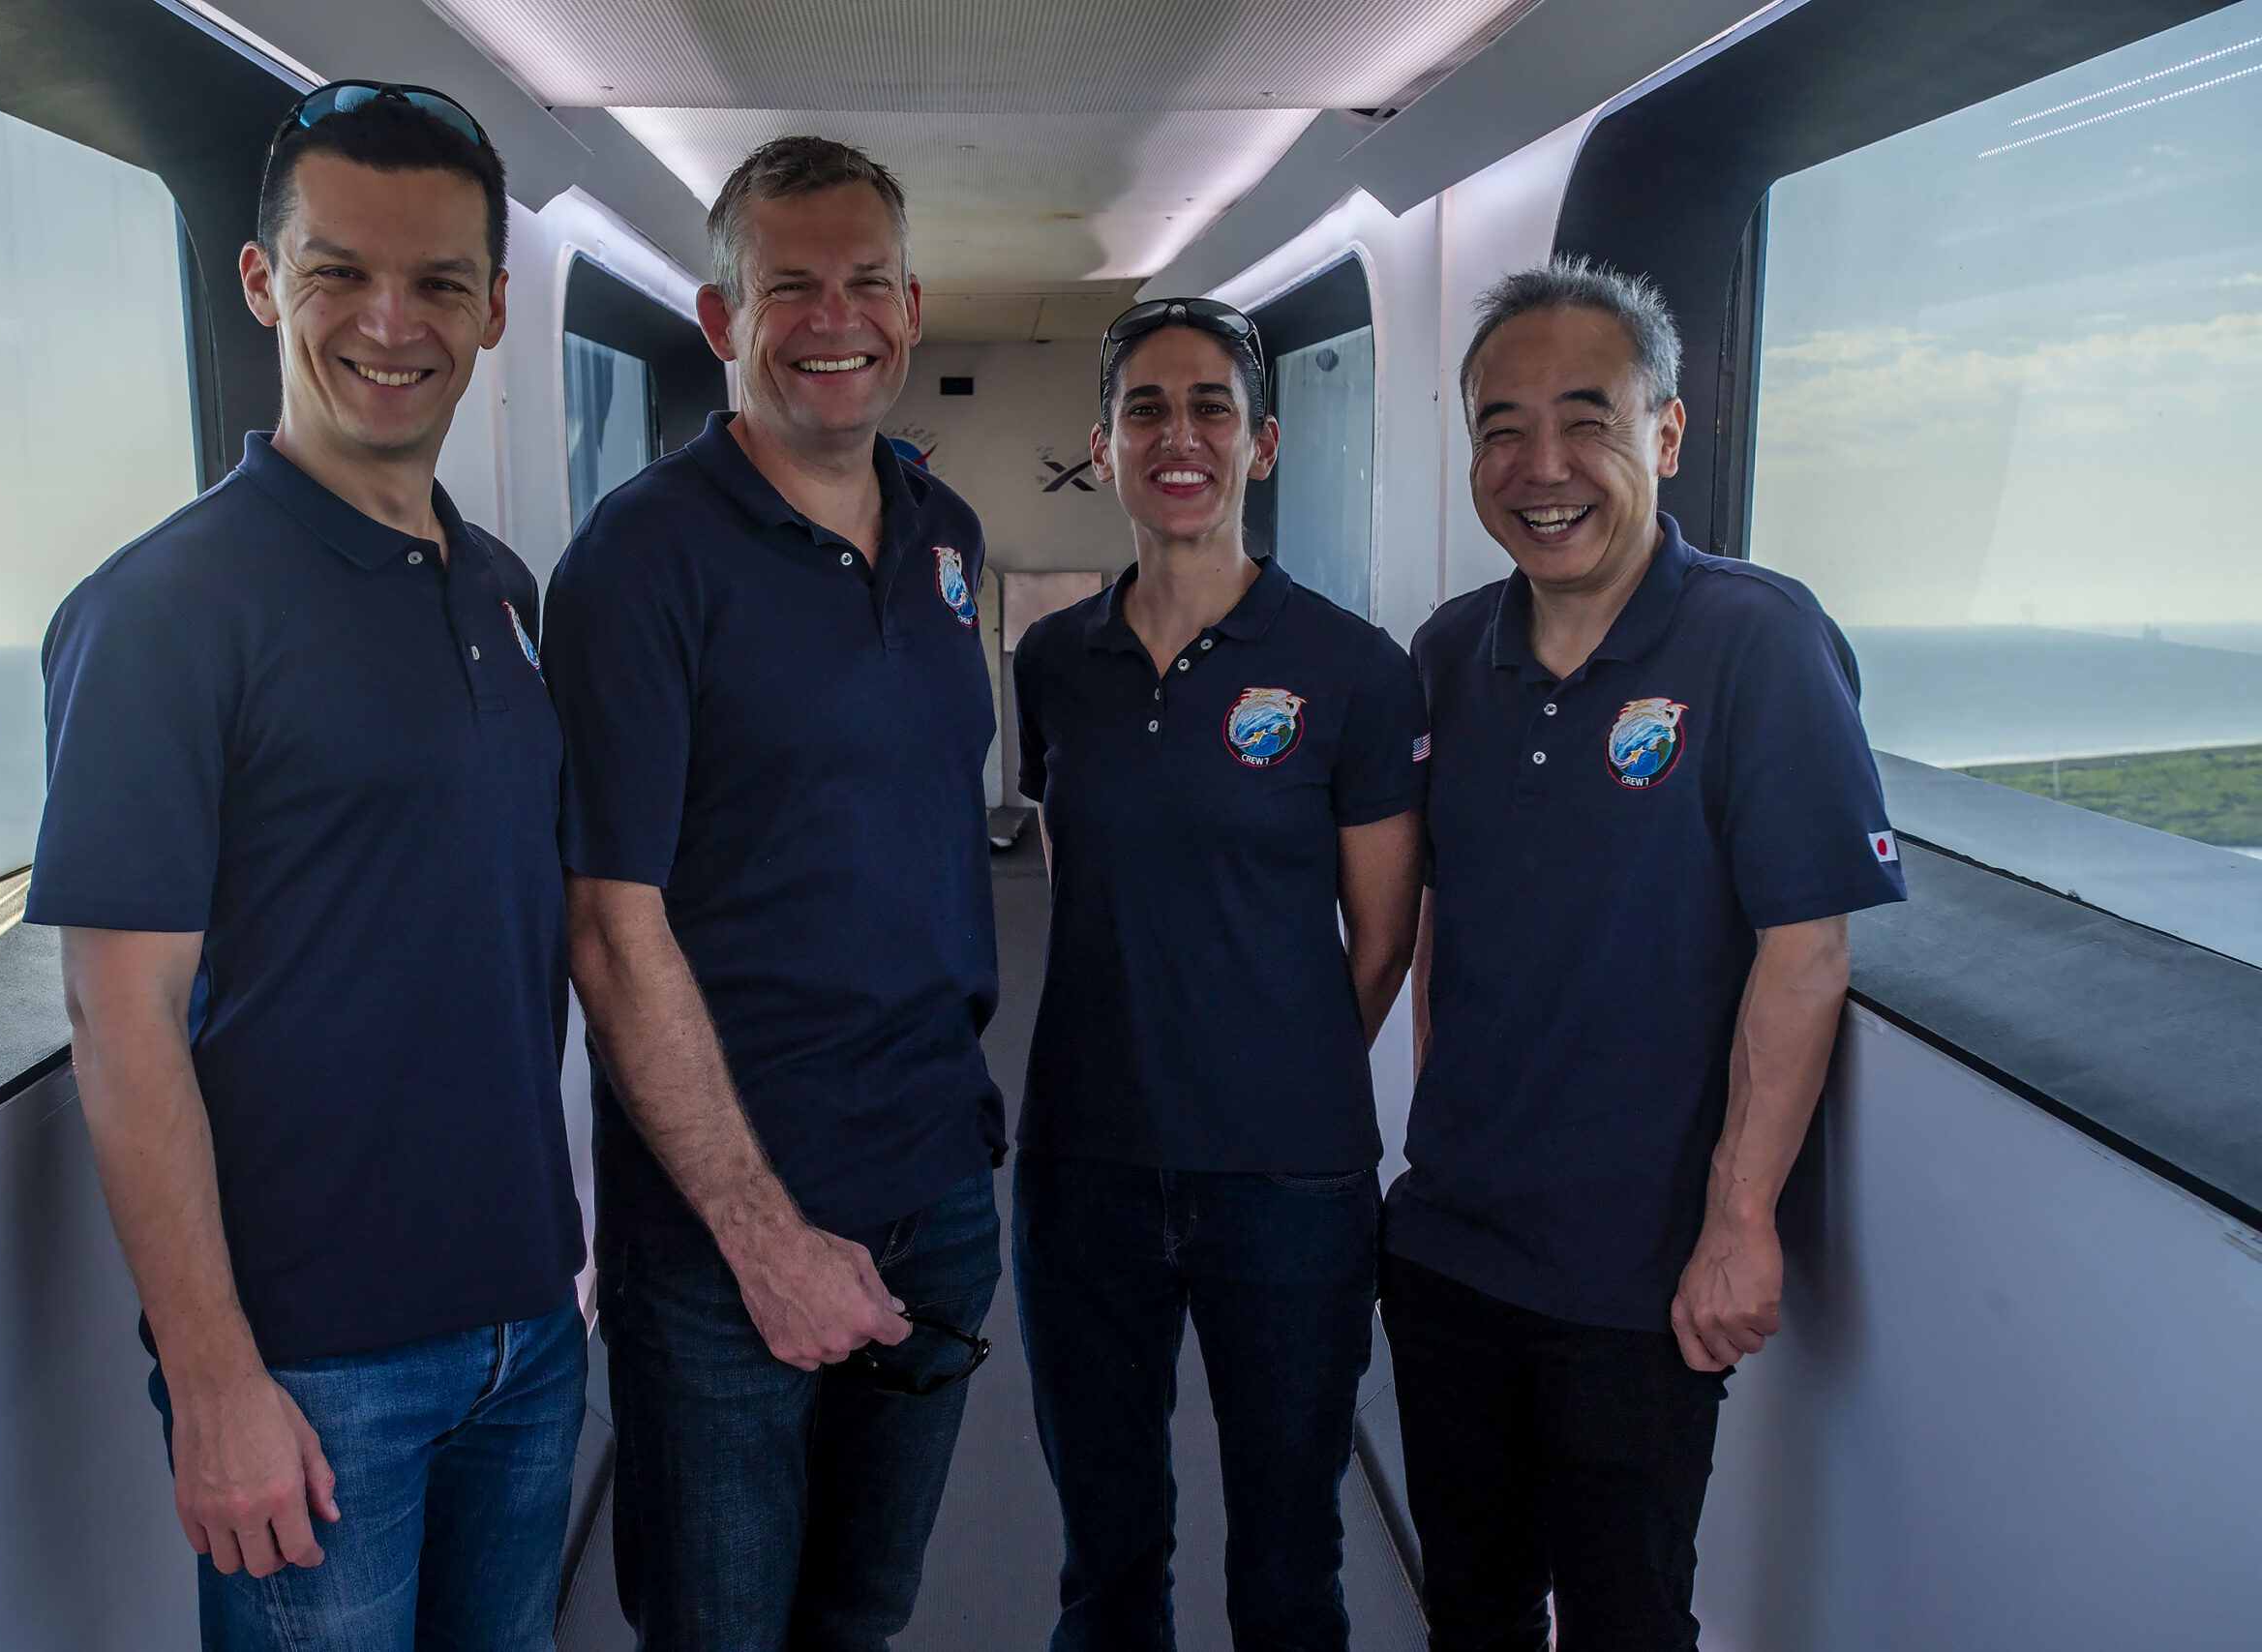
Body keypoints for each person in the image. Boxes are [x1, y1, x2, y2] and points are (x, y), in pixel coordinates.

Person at [26, 83, 585, 1650]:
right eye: (340, 272)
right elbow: (121, 1027)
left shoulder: (500, 585)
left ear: (487, 311)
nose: (389, 322)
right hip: (312, 1366)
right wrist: (212, 1385)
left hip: (528, 1324)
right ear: (265, 284)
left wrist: (561, 1274)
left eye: (438, 283)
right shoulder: (163, 613)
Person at [1383, 256, 1909, 1650]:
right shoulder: (1447, 655)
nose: (1540, 466)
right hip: (1448, 1252)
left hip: (1639, 1276)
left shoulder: (1758, 643)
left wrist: (1737, 1229)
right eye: (1501, 426)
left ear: (1665, 435)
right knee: (1474, 1612)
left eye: (1587, 420)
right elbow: (1449, 920)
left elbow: (1805, 951)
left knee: (1627, 1621)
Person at [543, 136, 1002, 1651]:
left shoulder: (945, 540)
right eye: (787, 285)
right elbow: (614, 931)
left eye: (865, 281)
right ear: (719, 316)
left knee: (860, 1616)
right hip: (734, 1225)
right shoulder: (640, 562)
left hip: (936, 1185)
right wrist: (761, 1237)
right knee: (723, 1628)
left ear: (913, 306)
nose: (833, 317)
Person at [1009, 298, 1428, 1651]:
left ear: (1260, 446)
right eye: (1147, 407)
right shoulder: (1051, 663)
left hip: (1289, 1184)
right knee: (1108, 1560)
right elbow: (1081, 866)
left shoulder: (1351, 668)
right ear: (1106, 444)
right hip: (1086, 1166)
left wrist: (1280, 1051)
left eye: (1210, 409)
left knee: (1291, 1563)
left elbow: (1383, 934)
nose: (1177, 435)